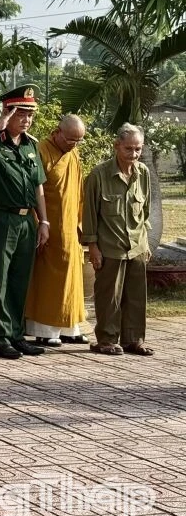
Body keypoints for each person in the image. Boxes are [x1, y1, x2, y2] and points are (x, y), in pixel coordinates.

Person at [0, 86, 50, 360]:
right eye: (21, 114)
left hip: (26, 220)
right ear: (7, 113)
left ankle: (17, 334)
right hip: (1, 218)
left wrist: (44, 220)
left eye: (30, 114)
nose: (26, 120)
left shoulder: (31, 145)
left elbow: (38, 186)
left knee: (20, 279)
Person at [83, 124, 153, 356]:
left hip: (137, 245)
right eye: (128, 148)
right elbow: (89, 214)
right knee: (109, 297)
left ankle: (134, 340)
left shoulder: (143, 173)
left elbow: (145, 212)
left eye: (138, 149)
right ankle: (106, 340)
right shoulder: (99, 175)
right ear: (117, 146)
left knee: (136, 297)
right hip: (110, 247)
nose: (133, 154)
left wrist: (145, 243)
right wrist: (93, 246)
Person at [25, 114, 89, 347]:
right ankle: (44, 329)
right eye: (70, 139)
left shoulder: (73, 154)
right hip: (48, 226)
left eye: (78, 141)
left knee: (72, 277)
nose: (73, 144)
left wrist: (82, 224)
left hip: (71, 225)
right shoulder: (40, 150)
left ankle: (70, 328)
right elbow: (34, 189)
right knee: (49, 279)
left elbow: (79, 190)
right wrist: (39, 222)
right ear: (57, 132)